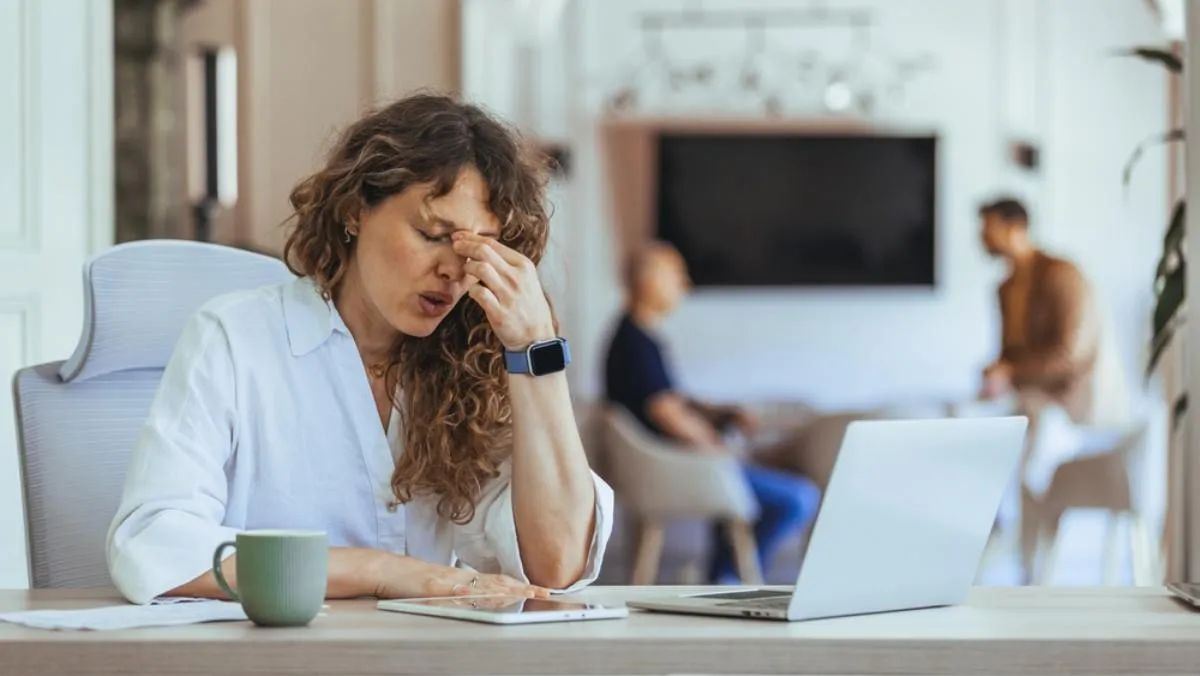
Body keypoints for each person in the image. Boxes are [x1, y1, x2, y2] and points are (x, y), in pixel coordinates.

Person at [106, 94, 613, 605]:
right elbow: (151, 545)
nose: (453, 270)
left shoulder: (470, 367)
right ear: (354, 211)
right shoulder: (235, 339)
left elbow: (558, 564)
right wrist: (379, 571)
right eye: (432, 234)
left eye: (478, 248)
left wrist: (535, 348)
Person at [603, 241, 820, 584]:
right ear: (650, 279)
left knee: (764, 487)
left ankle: (722, 574)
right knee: (798, 498)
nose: (684, 284)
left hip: (677, 464)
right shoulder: (634, 342)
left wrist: (720, 412)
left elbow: (671, 399)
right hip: (675, 467)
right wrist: (717, 449)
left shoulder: (638, 337)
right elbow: (664, 411)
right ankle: (729, 575)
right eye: (677, 275)